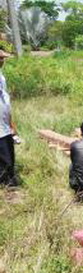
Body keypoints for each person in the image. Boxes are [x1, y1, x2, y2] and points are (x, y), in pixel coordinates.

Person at [0, 49, 19, 187]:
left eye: (2, 58)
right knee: (5, 159)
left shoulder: (1, 76)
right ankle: (8, 185)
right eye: (0, 58)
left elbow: (6, 102)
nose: (2, 61)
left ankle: (10, 180)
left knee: (9, 157)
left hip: (4, 125)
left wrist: (11, 123)